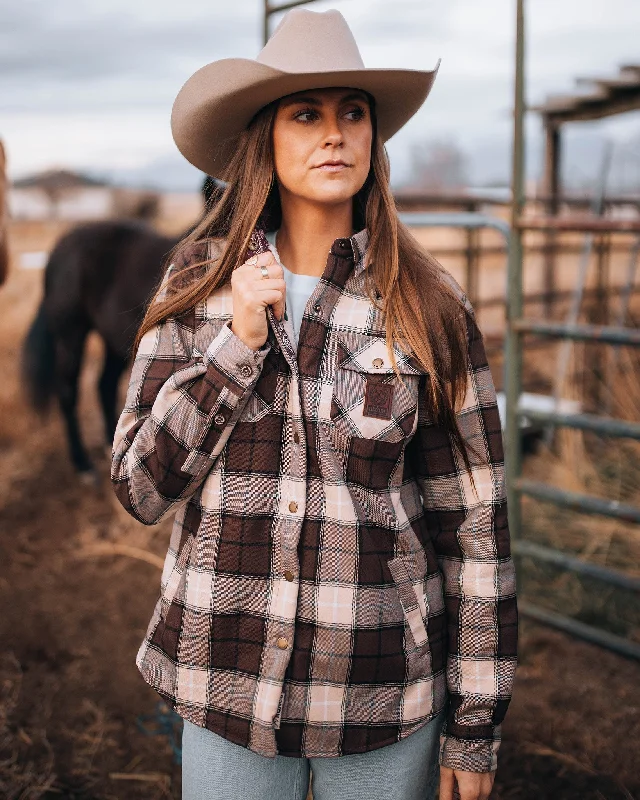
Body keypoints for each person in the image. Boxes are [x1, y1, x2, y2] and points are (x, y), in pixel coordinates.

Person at [111, 8, 517, 800]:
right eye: (307, 114)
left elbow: (475, 524)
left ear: (373, 137)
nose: (334, 133)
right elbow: (139, 488)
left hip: (378, 692)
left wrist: (476, 726)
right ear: (266, 139)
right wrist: (237, 345)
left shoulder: (428, 305)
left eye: (352, 112)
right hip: (224, 681)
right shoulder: (196, 288)